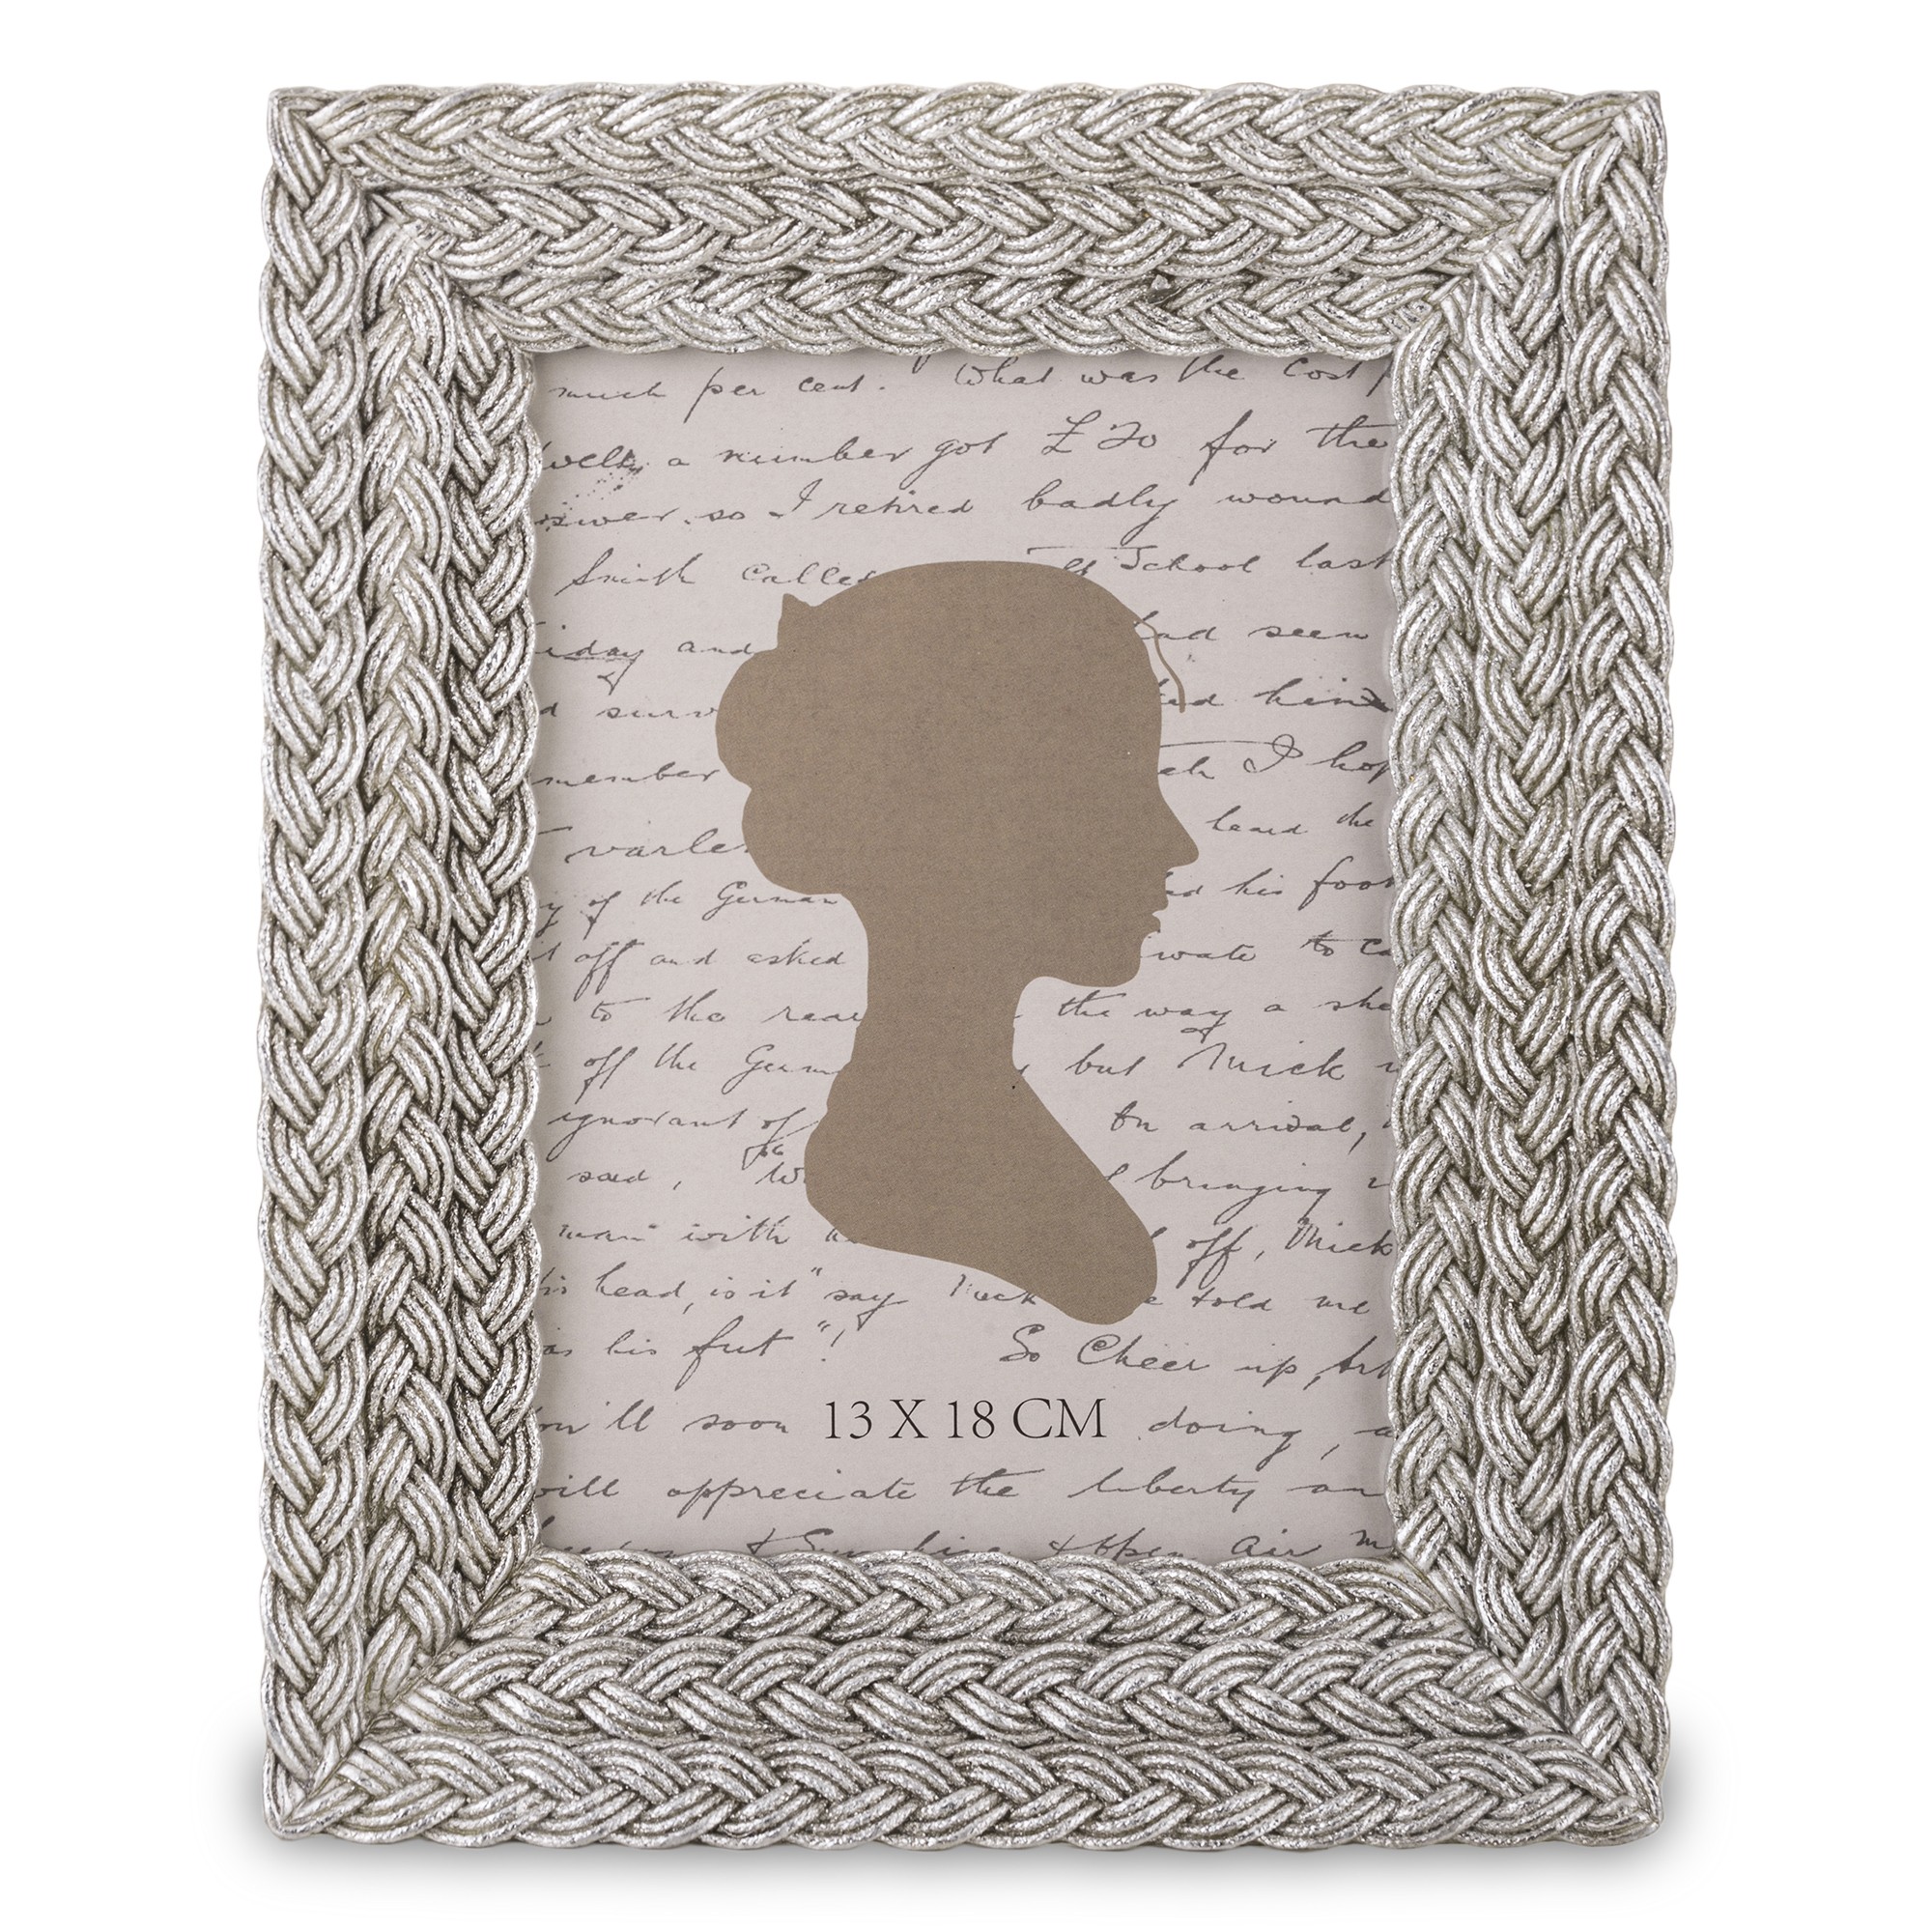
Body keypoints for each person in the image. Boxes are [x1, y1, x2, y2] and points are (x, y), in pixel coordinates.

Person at [715, 560, 1198, 1323]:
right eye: (1112, 789)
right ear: (963, 827)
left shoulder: (939, 1129)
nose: (1177, 844)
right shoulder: (898, 1158)